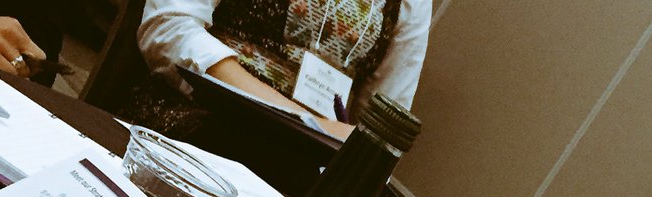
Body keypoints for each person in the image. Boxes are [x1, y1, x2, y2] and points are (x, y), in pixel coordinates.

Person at [129, 0, 431, 140]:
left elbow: (385, 120)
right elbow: (170, 26)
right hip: (203, 112)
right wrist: (305, 121)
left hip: (309, 155)